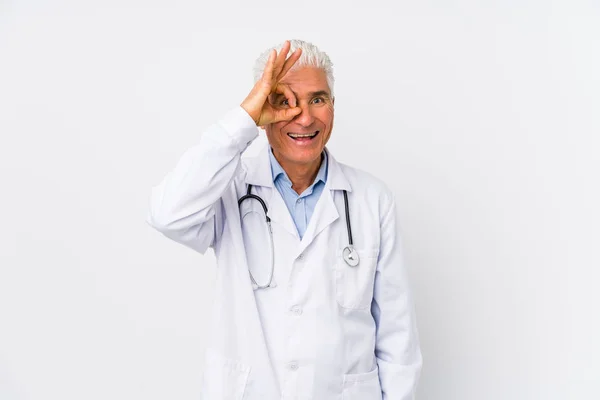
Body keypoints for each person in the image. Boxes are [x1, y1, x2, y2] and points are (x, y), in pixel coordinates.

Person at [146, 39, 422, 400]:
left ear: (333, 106)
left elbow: (397, 337)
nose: (304, 117)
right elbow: (167, 214)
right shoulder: (229, 188)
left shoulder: (372, 199)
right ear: (263, 111)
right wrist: (243, 119)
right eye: (283, 101)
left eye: (317, 100)